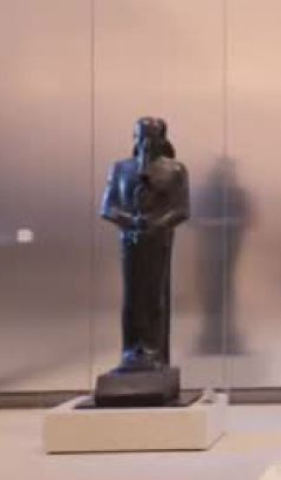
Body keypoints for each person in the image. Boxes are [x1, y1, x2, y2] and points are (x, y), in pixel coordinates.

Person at [100, 117, 190, 373]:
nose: (145, 142)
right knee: (132, 296)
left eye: (151, 137)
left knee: (154, 295)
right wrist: (131, 221)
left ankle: (153, 349)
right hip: (131, 240)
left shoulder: (175, 170)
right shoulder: (121, 169)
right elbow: (108, 207)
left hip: (158, 240)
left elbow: (181, 209)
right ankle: (131, 351)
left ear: (162, 139)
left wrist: (155, 223)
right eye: (141, 136)